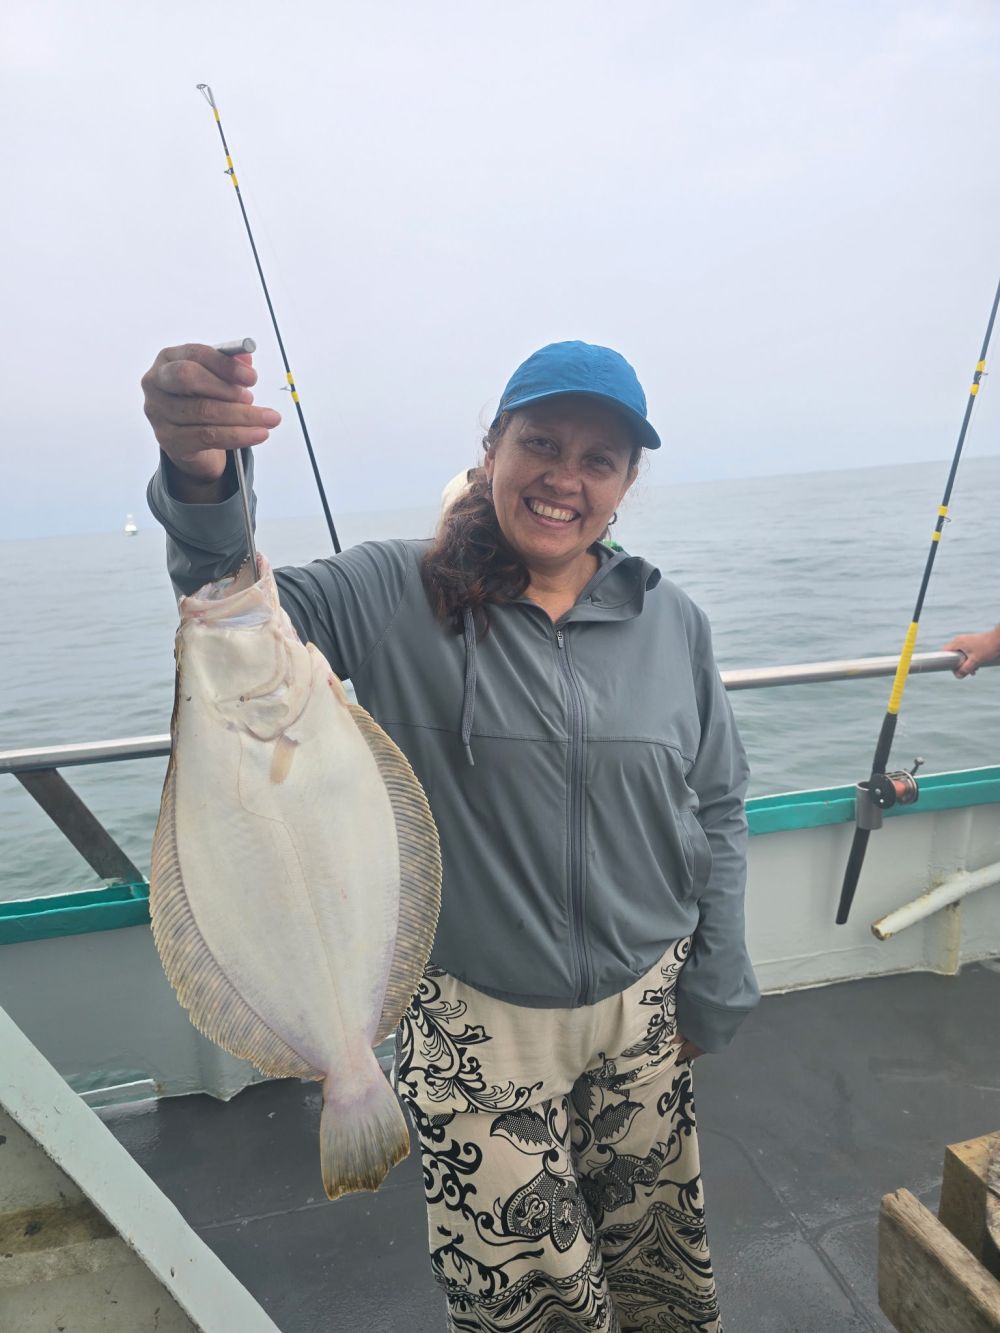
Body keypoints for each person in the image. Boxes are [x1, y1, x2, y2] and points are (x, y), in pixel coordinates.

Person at [142, 338, 759, 1332]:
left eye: (598, 460)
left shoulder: (670, 620)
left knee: (659, 1263)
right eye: (540, 443)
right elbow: (230, 605)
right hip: (477, 1020)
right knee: (529, 1297)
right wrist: (201, 473)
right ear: (492, 450)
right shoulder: (394, 590)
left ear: (626, 484)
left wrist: (719, 970)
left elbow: (718, 803)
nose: (564, 477)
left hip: (645, 1004)